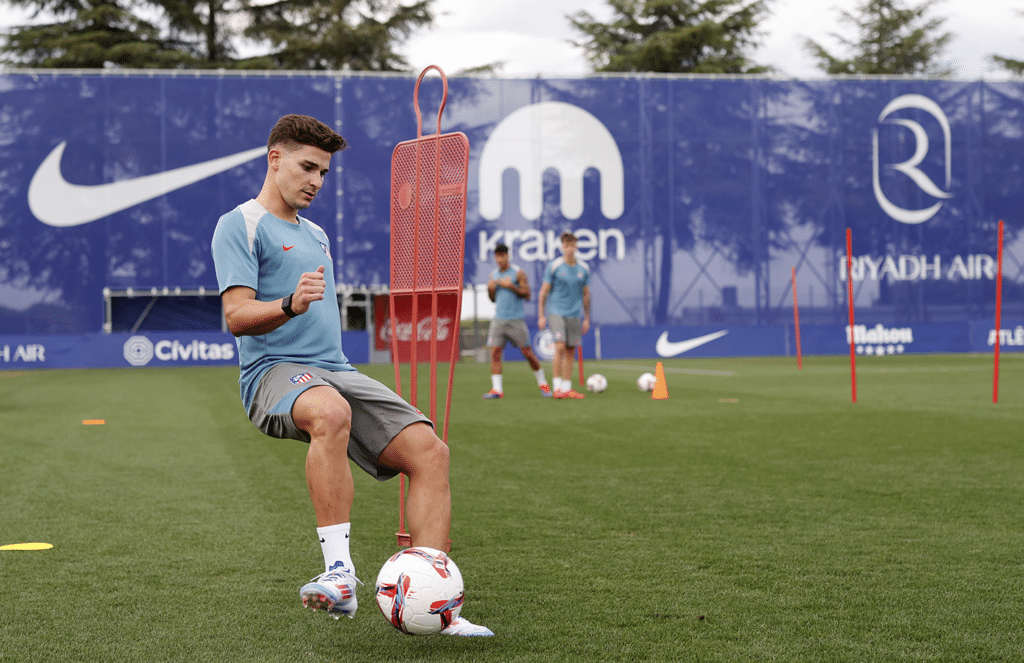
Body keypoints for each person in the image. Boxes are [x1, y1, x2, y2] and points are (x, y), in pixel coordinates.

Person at [210, 114, 492, 637]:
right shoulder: (240, 224)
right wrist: (290, 304)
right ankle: (339, 574)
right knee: (329, 412)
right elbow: (236, 316)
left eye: (324, 172)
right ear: (275, 159)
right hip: (274, 372)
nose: (316, 181)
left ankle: (436, 601)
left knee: (431, 452)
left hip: (335, 370)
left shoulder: (315, 233)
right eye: (307, 167)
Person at [482, 243, 551, 399]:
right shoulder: (493, 275)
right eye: (497, 256)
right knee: (495, 352)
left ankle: (544, 385)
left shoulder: (518, 273)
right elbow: (493, 299)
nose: (500, 259)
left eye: (502, 256)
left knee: (527, 353)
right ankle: (497, 390)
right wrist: (490, 290)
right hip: (499, 319)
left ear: (508, 256)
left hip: (516, 320)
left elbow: (527, 295)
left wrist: (511, 286)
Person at [537, 231, 591, 400]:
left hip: (574, 314)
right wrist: (541, 315)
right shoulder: (554, 266)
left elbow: (586, 295)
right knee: (559, 346)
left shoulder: (584, 269)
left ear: (576, 247)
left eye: (572, 245)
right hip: (556, 312)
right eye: (566, 245)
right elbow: (543, 292)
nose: (569, 249)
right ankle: (557, 387)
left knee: (570, 350)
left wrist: (587, 318)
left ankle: (567, 389)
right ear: (562, 247)